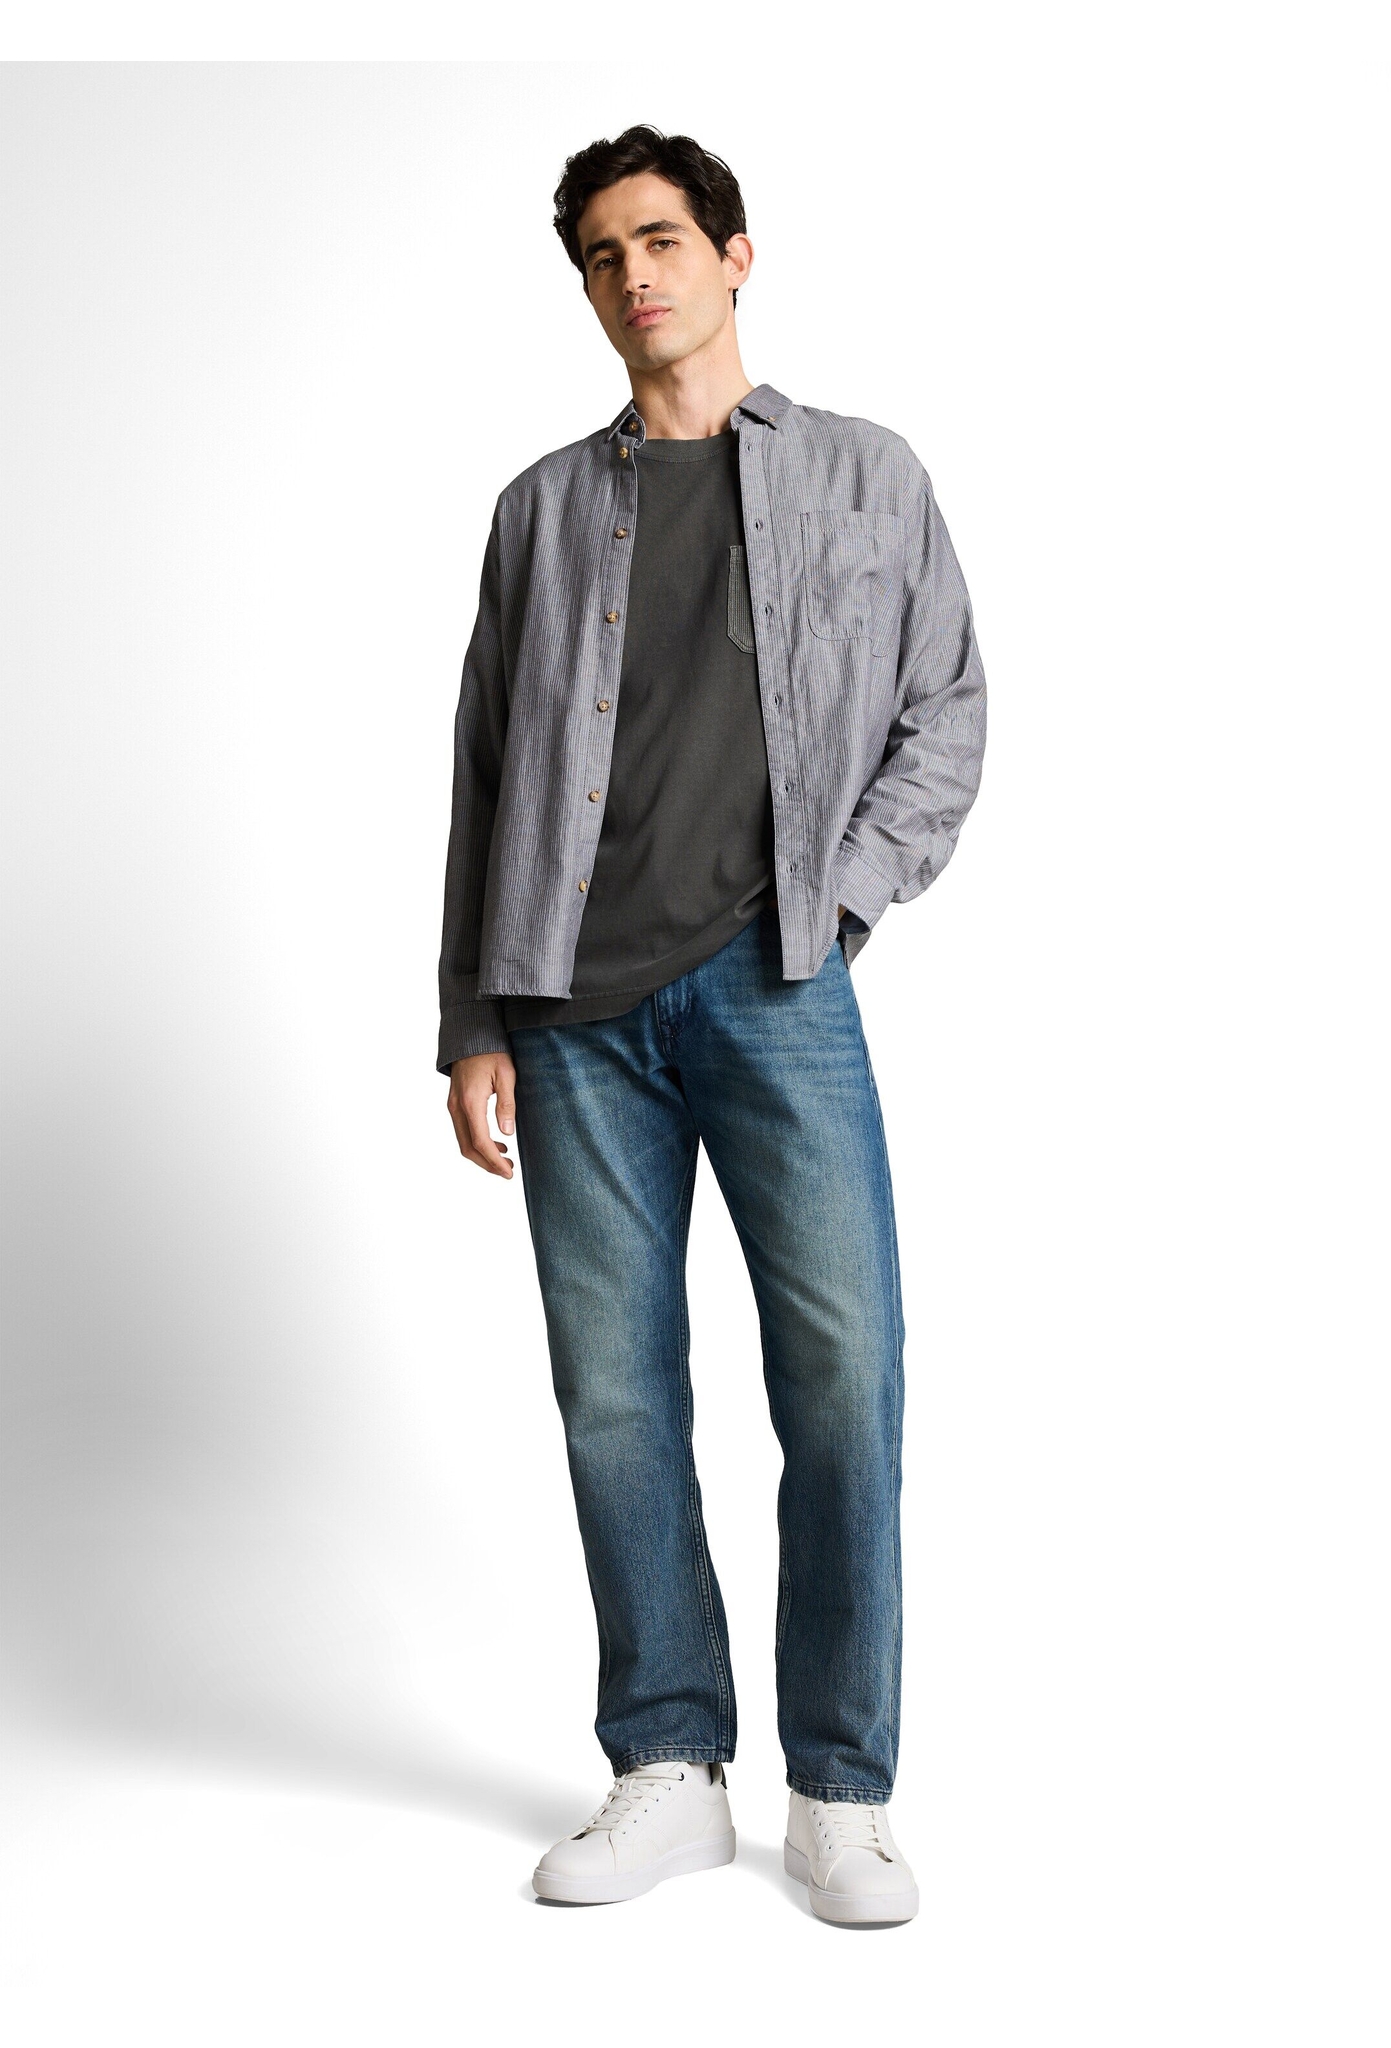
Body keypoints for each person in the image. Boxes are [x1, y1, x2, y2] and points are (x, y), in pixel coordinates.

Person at [437, 124, 987, 1924]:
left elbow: (948, 711)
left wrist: (840, 901)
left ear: (735, 255)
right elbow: (488, 771)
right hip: (569, 1011)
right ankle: (667, 1764)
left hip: (777, 987)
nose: (634, 277)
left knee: (845, 1376)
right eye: (602, 256)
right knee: (614, 1393)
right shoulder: (540, 510)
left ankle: (841, 1791)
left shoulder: (863, 477)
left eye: (661, 240)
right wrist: (473, 1012)